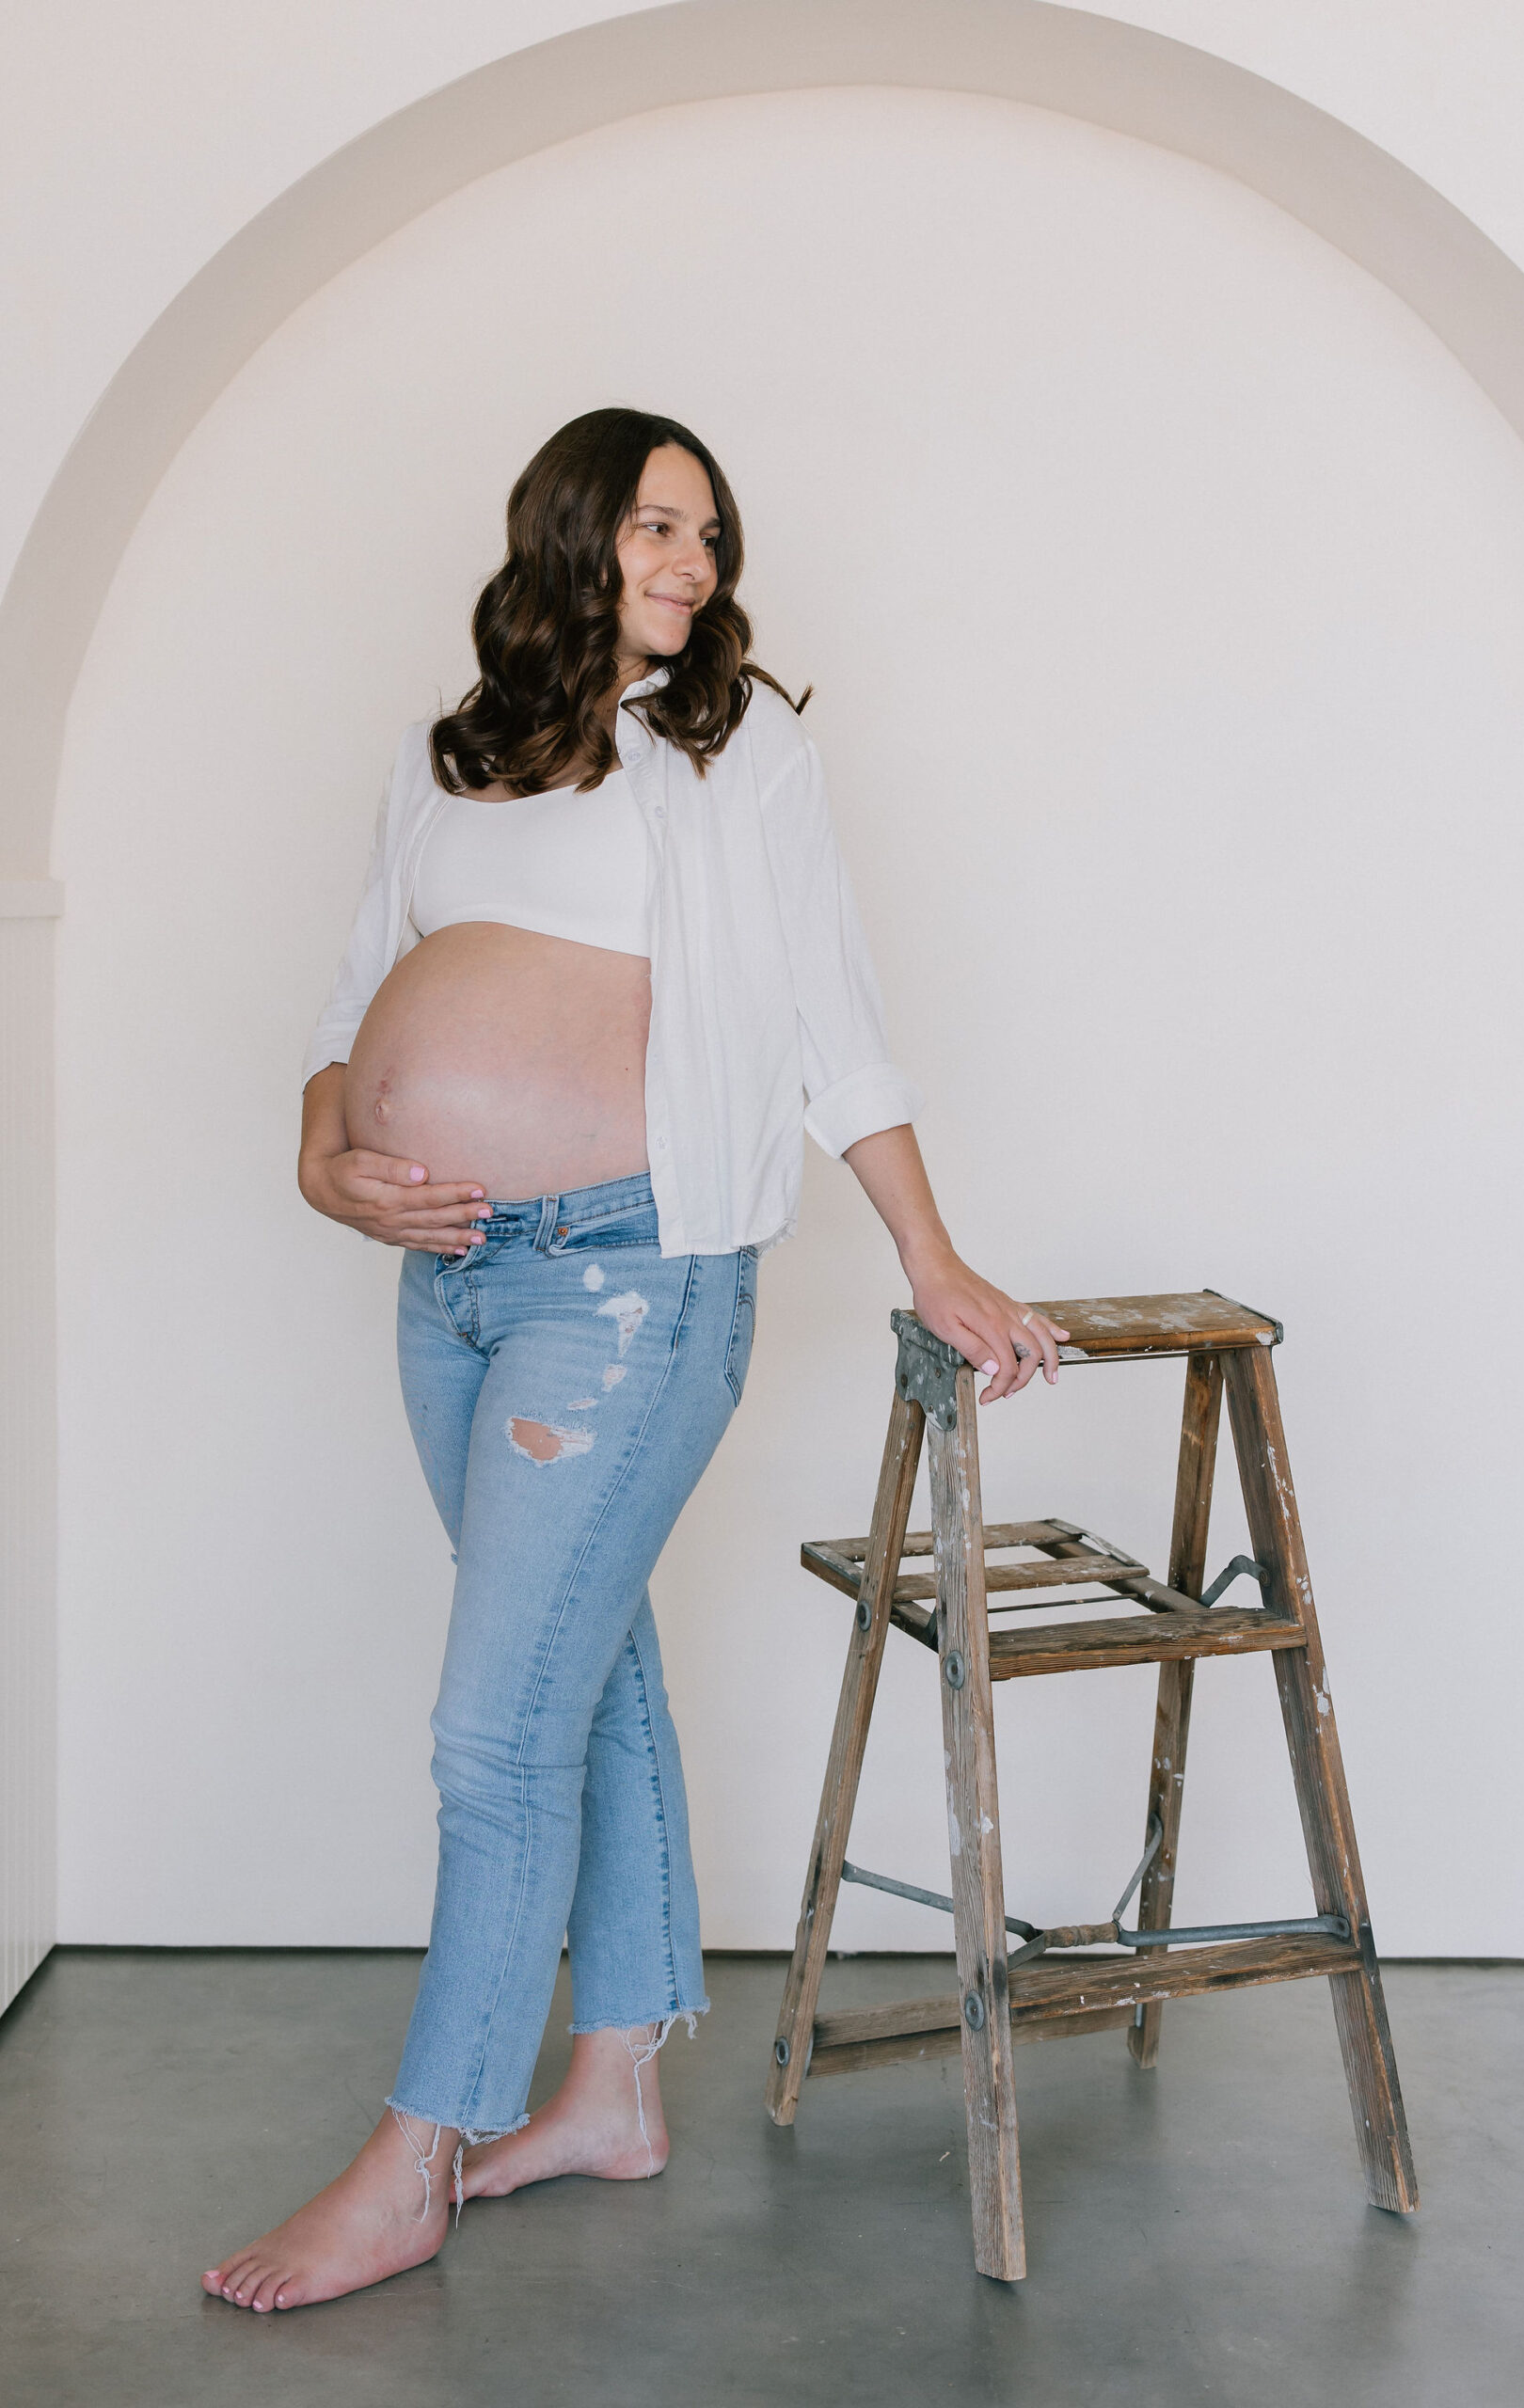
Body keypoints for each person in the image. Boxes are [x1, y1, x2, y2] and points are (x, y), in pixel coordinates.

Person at [202, 407, 1070, 2312]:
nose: (687, 561)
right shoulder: (447, 759)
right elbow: (352, 1006)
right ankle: (609, 2094)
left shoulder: (731, 744)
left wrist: (926, 1251)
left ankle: (417, 2149)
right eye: (655, 525)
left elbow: (826, 997)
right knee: (577, 1681)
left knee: (491, 1729)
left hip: (622, 1283)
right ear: (567, 534)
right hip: (446, 1286)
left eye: (705, 534)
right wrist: (323, 1155)